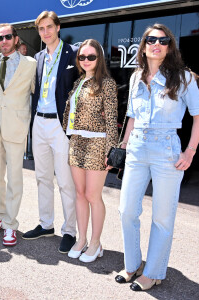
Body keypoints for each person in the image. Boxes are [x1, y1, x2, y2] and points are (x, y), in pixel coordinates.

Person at [115, 24, 199, 291]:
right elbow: (131, 116)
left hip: (167, 148)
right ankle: (133, 265)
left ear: (169, 46)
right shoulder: (135, 77)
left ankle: (153, 272)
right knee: (127, 211)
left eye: (163, 40)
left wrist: (190, 151)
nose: (157, 44)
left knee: (162, 217)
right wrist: (123, 145)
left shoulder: (183, 77)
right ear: (143, 46)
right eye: (151, 40)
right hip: (137, 147)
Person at [22, 11, 78, 254]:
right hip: (40, 123)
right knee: (42, 177)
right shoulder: (38, 57)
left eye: (49, 27)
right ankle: (46, 224)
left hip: (60, 125)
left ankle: (70, 230)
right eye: (41, 29)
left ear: (58, 27)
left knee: (65, 181)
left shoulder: (74, 54)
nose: (45, 32)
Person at [62, 39, 118, 262]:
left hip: (97, 143)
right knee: (80, 194)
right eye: (82, 57)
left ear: (99, 58)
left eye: (91, 57)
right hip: (77, 142)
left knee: (93, 195)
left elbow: (112, 119)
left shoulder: (107, 83)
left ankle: (96, 243)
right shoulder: (77, 83)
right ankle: (82, 239)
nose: (86, 60)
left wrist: (111, 150)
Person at [0, 23, 36, 246]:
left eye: (8, 37)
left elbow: (37, 93)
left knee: (15, 178)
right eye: (0, 38)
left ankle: (10, 224)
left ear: (16, 39)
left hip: (16, 126)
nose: (3, 41)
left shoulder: (31, 64)